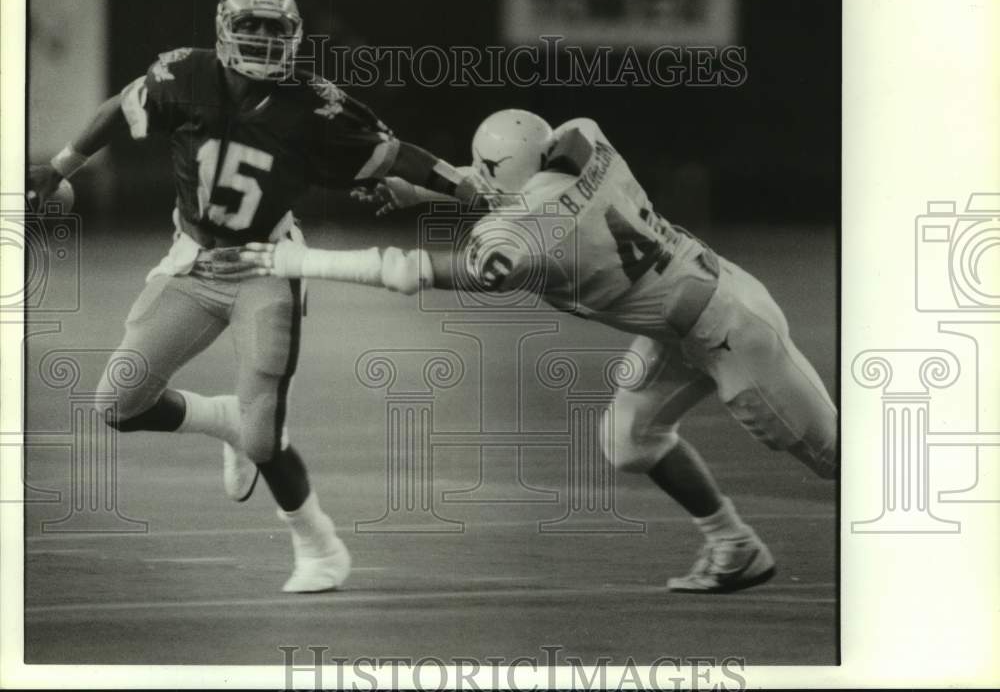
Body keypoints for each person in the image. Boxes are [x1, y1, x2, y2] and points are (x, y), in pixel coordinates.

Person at [238, 110, 839, 594]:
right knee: (630, 439)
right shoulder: (584, 136)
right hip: (687, 318)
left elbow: (411, 271)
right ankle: (734, 545)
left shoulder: (519, 237)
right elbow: (530, 197)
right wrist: (430, 191)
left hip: (733, 333)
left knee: (837, 460)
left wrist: (301, 260)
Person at [26, 0, 479, 593]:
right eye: (252, 27)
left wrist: (468, 188)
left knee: (266, 437)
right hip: (194, 261)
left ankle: (319, 546)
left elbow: (396, 155)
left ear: (294, 37)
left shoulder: (315, 102)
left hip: (267, 265)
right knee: (117, 404)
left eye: (276, 29)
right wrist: (58, 168)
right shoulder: (184, 75)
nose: (264, 40)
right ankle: (222, 422)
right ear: (224, 30)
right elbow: (118, 110)